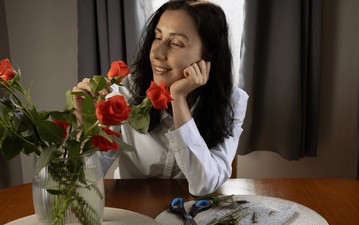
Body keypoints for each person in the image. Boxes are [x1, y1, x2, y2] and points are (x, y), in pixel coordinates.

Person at [73, 0, 248, 196]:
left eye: (175, 43)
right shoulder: (124, 92)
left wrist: (178, 99)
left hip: (194, 214)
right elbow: (84, 179)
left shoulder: (232, 101)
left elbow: (205, 185)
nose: (157, 53)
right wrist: (85, 125)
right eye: (157, 37)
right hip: (134, 211)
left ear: (208, 57)